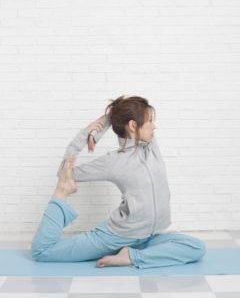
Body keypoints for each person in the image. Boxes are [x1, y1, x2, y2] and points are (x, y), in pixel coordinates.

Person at [31, 95, 206, 269]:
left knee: (196, 248)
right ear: (132, 125)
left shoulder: (151, 147)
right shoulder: (113, 161)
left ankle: (130, 256)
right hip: (115, 236)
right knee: (42, 252)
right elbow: (64, 173)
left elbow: (121, 113)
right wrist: (86, 134)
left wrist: (110, 117)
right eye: (150, 121)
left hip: (148, 238)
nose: (155, 126)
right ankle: (131, 254)